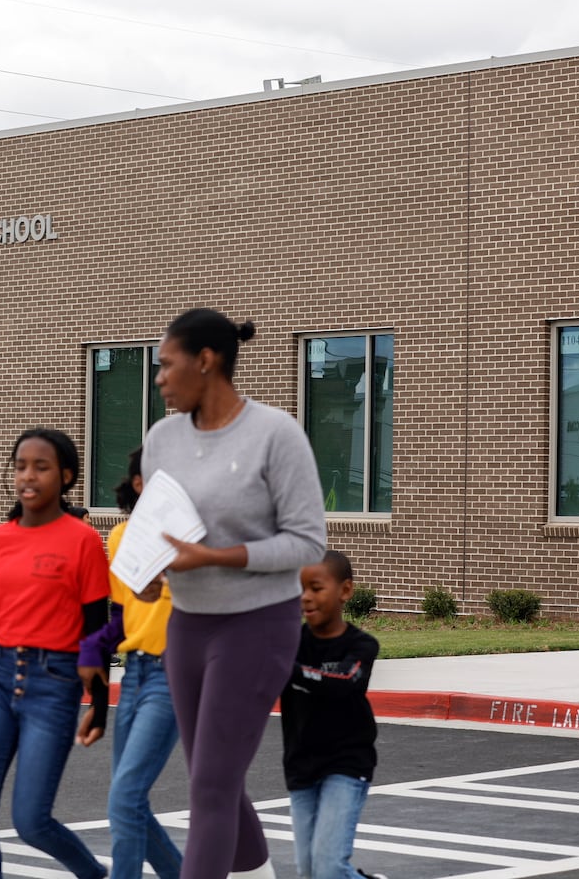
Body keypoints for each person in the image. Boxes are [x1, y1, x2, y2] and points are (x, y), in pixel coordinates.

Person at [146, 307, 327, 879]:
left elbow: (306, 543)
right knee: (208, 774)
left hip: (257, 626)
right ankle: (255, 871)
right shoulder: (160, 439)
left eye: (166, 365)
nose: (158, 379)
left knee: (212, 788)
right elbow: (160, 531)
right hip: (188, 628)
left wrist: (217, 557)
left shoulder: (275, 434)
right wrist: (150, 572)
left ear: (206, 361)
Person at [0, 427, 112, 879]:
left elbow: (96, 632)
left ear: (66, 476)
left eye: (41, 466)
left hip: (55, 684)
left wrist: (98, 705)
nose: (28, 475)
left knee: (32, 821)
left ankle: (95, 875)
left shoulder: (83, 541)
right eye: (20, 466)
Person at [78, 448, 182, 879]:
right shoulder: (121, 537)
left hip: (175, 674)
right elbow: (122, 618)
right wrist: (92, 651)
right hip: (135, 674)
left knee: (124, 799)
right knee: (131, 802)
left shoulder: (196, 539)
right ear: (140, 484)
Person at [281, 550, 382, 879]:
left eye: (316, 587)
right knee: (310, 871)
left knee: (326, 867)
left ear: (346, 591)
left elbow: (344, 683)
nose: (306, 598)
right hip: (301, 764)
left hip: (346, 763)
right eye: (301, 589)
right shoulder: (289, 643)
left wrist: (290, 670)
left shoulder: (361, 645)